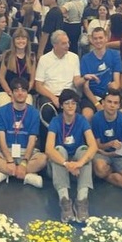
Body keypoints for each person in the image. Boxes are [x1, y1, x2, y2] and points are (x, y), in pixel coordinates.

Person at [45, 89, 97, 223]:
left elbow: (93, 146)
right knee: (58, 149)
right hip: (61, 167)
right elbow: (48, 149)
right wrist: (66, 164)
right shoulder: (55, 121)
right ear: (61, 106)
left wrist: (79, 163)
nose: (70, 106)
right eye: (67, 103)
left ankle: (82, 200)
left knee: (84, 150)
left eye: (73, 103)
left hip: (77, 167)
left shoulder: (82, 120)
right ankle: (65, 201)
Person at [0, 78, 46, 188]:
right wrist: (9, 160)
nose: (20, 93)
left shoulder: (34, 113)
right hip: (6, 152)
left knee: (43, 159)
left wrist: (24, 163)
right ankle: (27, 176)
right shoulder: (1, 111)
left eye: (23, 90)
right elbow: (1, 139)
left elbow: (32, 141)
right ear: (12, 93)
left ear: (27, 94)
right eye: (17, 90)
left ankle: (7, 173)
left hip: (27, 153)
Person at [35, 30, 81, 131]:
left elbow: (77, 81)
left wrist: (84, 79)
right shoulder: (44, 59)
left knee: (75, 109)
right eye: (64, 43)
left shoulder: (74, 58)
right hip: (50, 95)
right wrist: (53, 98)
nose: (68, 46)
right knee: (47, 110)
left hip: (68, 95)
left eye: (68, 42)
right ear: (55, 45)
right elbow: (38, 86)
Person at [90, 89, 122, 190]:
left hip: (120, 155)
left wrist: (110, 154)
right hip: (101, 153)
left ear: (119, 105)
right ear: (103, 103)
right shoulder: (96, 119)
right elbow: (97, 145)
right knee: (101, 170)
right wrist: (109, 145)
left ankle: (108, 176)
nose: (112, 105)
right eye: (109, 102)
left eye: (115, 103)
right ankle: (109, 175)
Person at [77, 27, 122, 120]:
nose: (98, 41)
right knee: (87, 116)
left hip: (110, 94)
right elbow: (85, 87)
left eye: (101, 38)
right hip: (91, 96)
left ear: (106, 38)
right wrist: (97, 104)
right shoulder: (85, 59)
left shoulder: (115, 55)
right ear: (92, 40)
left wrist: (113, 87)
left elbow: (117, 82)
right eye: (95, 38)